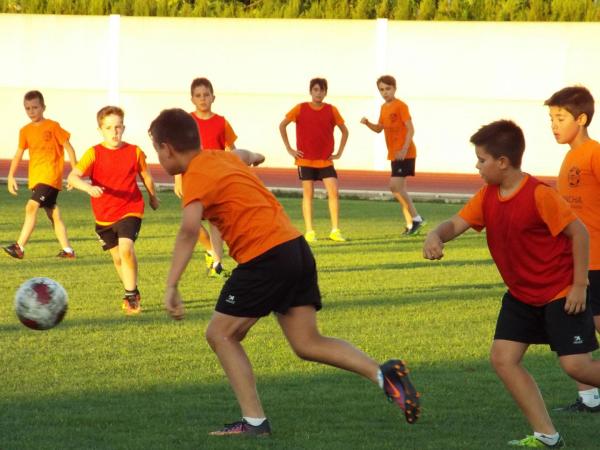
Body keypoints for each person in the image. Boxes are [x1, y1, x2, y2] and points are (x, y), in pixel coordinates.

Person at [149, 108, 420, 436]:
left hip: (266, 257)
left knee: (220, 334)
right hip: (295, 248)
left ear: (167, 148)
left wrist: (171, 285)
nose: (159, 159)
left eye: (157, 152)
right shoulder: (221, 157)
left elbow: (189, 230)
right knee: (307, 342)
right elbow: (246, 154)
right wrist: (257, 156)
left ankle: (254, 422)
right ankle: (383, 375)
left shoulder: (195, 175)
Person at [423, 119, 600, 448]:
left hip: (560, 292)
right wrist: (436, 234)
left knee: (577, 367)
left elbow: (579, 233)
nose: (477, 166)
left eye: (481, 159)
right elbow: (456, 223)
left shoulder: (539, 195)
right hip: (522, 295)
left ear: (502, 162)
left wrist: (579, 285)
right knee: (503, 358)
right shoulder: (487, 195)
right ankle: (547, 436)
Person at [68, 106, 159, 315]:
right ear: (100, 130)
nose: (114, 132)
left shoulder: (134, 151)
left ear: (124, 128)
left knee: (126, 250)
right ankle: (133, 290)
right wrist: (88, 188)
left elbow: (146, 176)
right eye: (109, 128)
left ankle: (129, 296)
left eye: (118, 127)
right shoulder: (94, 153)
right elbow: (73, 177)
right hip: (103, 216)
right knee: (118, 258)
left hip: (131, 208)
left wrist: (153, 196)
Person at [545, 86, 600, 413]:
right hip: (577, 259)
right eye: (551, 118)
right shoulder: (569, 155)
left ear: (581, 119)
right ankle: (589, 398)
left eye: (560, 118)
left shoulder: (593, 153)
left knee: (591, 320)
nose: (554, 124)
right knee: (579, 323)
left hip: (596, 258)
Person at [173, 77, 247, 277]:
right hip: (192, 180)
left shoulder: (221, 122)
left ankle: (217, 264)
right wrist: (178, 179)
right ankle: (210, 250)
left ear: (213, 97)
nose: (203, 99)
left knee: (215, 223)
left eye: (206, 95)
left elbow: (232, 149)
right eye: (198, 95)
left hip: (215, 181)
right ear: (192, 99)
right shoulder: (186, 122)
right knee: (192, 224)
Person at [3, 90, 77, 259]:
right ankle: (68, 251)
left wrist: (74, 172)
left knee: (31, 207)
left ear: (43, 107)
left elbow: (69, 148)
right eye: (27, 108)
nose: (31, 111)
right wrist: (11, 176)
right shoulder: (25, 131)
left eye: (35, 107)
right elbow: (18, 154)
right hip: (36, 179)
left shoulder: (53, 126)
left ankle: (19, 247)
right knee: (54, 215)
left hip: (50, 177)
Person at [279, 77, 349, 243]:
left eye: (322, 90)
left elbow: (345, 131)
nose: (319, 93)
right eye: (316, 90)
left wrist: (338, 153)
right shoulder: (300, 108)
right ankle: (310, 231)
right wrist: (290, 149)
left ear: (326, 92)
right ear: (311, 91)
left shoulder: (332, 110)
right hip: (305, 161)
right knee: (308, 195)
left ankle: (335, 230)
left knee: (333, 192)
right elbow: (282, 125)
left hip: (325, 160)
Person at [361, 75, 424, 235]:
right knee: (399, 189)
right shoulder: (383, 108)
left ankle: (417, 218)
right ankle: (411, 224)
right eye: (381, 89)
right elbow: (379, 128)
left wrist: (404, 148)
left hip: (405, 154)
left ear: (394, 88)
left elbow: (411, 129)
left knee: (394, 186)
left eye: (388, 89)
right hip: (394, 155)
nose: (385, 92)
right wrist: (368, 123)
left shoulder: (401, 106)